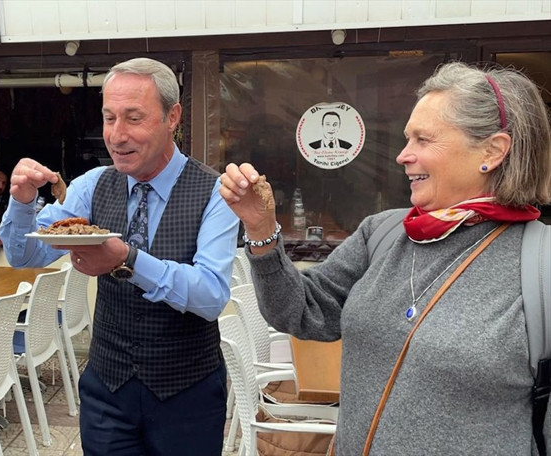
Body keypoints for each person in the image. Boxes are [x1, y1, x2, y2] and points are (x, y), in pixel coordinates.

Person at [220, 61, 551, 454]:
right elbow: (300, 311)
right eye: (407, 139)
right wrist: (262, 231)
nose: (402, 155)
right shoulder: (385, 233)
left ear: (492, 151)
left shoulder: (539, 263)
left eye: (423, 140)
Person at [0, 57, 240, 455]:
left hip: (187, 394)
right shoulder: (93, 185)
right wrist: (23, 202)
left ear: (172, 116)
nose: (116, 134)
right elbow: (26, 254)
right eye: (109, 118)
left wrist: (126, 260)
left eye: (133, 118)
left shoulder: (215, 192)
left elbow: (211, 296)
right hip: (107, 391)